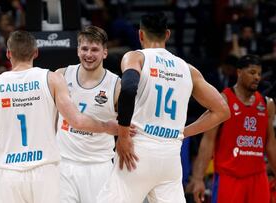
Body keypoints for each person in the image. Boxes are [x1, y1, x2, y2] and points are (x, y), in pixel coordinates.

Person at [0, 30, 118, 203]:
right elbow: (77, 121)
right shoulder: (52, 79)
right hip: (45, 171)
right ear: (36, 53)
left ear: (8, 54)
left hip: (9, 173)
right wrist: (107, 127)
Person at [97, 12, 230, 203]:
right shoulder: (187, 69)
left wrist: (123, 135)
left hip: (138, 152)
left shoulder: (136, 57)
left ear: (141, 35)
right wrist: (183, 132)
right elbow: (222, 111)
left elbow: (128, 88)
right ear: (167, 35)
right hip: (170, 157)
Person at [189, 54, 276, 203]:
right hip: (228, 178)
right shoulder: (223, 100)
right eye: (252, 72)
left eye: (259, 74)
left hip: (258, 178)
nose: (257, 77)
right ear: (239, 72)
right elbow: (207, 142)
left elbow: (270, 145)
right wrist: (198, 179)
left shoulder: (267, 104)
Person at [56, 25, 121, 203]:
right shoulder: (61, 76)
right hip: (64, 164)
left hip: (99, 166)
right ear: (78, 50)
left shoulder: (116, 85)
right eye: (84, 49)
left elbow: (125, 127)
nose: (89, 54)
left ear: (105, 53)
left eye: (94, 50)